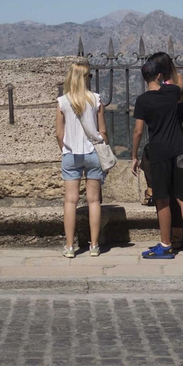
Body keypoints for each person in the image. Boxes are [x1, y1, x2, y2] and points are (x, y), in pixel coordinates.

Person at [130, 52, 183, 261]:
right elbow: (181, 87)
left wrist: (134, 155)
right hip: (178, 150)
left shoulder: (142, 100)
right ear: (160, 76)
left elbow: (138, 131)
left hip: (159, 153)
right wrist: (172, 71)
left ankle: (166, 244)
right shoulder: (171, 92)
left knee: (162, 201)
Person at [55, 59, 107, 258]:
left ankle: (69, 246)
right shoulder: (96, 99)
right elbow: (102, 130)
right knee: (94, 201)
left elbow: (59, 133)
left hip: (71, 153)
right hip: (92, 153)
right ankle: (94, 245)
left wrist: (65, 149)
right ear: (85, 78)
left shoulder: (62, 102)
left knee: (70, 201)